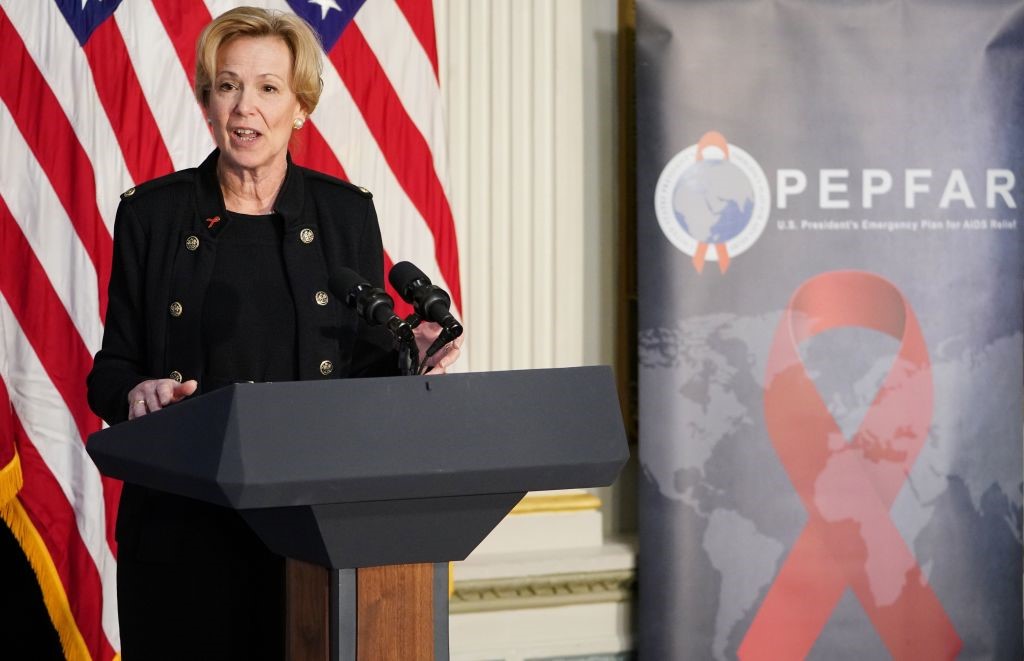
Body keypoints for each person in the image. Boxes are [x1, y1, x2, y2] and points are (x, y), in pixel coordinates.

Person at [86, 6, 460, 657]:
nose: (243, 107)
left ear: (299, 106)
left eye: (267, 87)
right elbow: (110, 371)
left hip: (312, 532)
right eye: (227, 85)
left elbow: (364, 379)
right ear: (207, 101)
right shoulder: (153, 217)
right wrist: (136, 394)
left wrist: (412, 361)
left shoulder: (346, 214)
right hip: (182, 531)